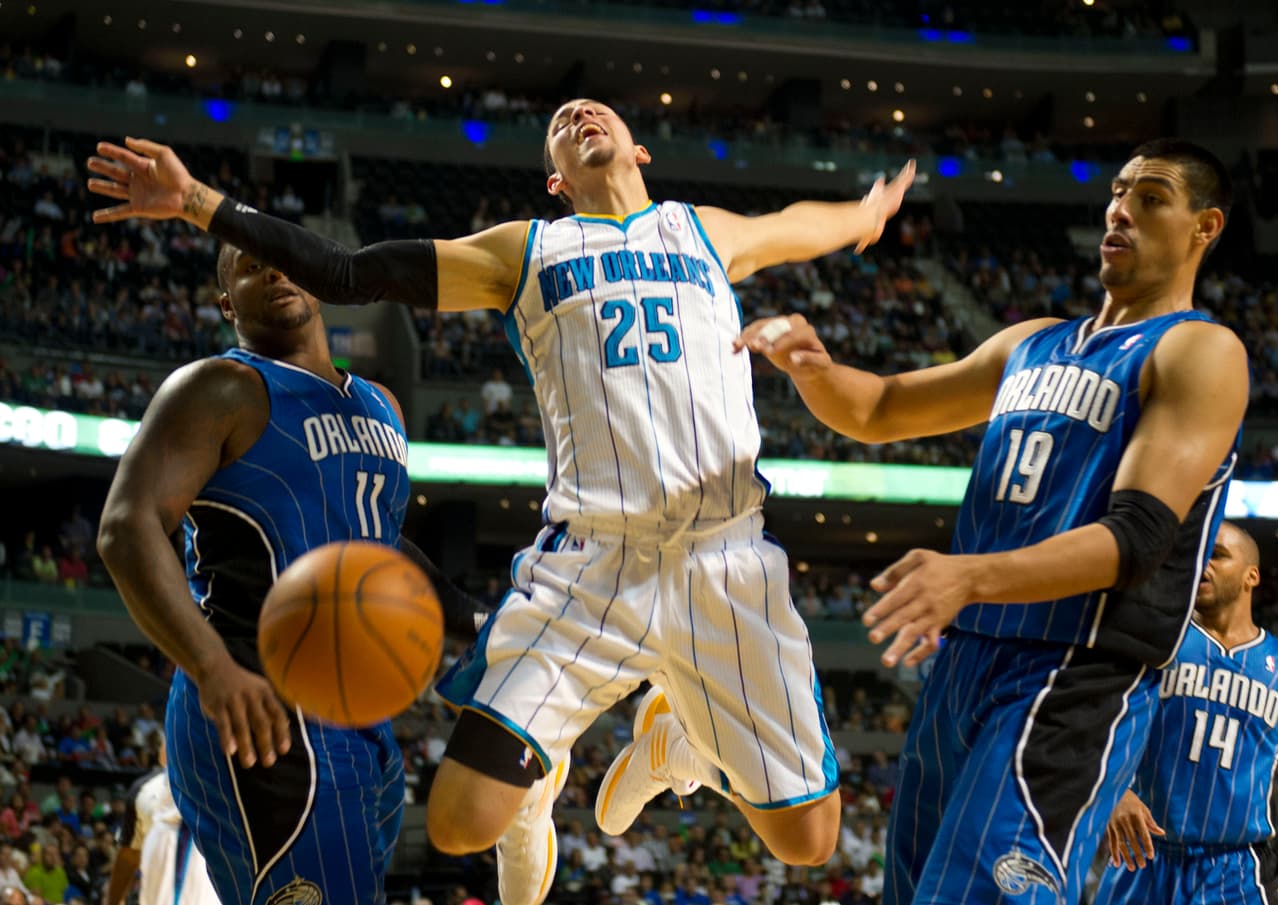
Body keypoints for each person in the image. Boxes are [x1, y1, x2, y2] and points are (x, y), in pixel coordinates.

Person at [86, 99, 913, 905]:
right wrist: (196, 202)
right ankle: (546, 772)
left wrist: (864, 214)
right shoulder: (527, 251)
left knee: (810, 840)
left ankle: (679, 746)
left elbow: (797, 223)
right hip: (592, 558)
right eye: (560, 122)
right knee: (457, 824)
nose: (580, 116)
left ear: (639, 149)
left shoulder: (704, 231)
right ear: (555, 180)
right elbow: (349, 271)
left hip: (725, 554)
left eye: (595, 110)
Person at [735, 138, 1246, 903]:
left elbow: (1137, 538)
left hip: (1072, 671)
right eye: (1118, 191)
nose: (1120, 210)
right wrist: (813, 368)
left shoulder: (1200, 350)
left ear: (1205, 226)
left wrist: (970, 575)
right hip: (969, 660)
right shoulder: (1029, 343)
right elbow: (880, 408)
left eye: (1151, 198)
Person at [88, 235, 491, 904]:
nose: (275, 272)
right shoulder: (220, 387)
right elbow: (126, 527)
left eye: (285, 261)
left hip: (361, 712)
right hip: (259, 706)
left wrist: (478, 620)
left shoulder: (382, 405)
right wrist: (211, 667)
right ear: (227, 303)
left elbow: (379, 544)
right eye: (251, 267)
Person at [1096, 522, 1278, 904]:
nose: (1202, 563)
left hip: (1236, 869)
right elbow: (1094, 722)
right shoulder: (1155, 640)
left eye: (1217, 555)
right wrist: (1114, 789)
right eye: (1198, 554)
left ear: (1252, 576)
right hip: (1142, 855)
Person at [106, 753, 221, 905]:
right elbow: (128, 857)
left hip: (178, 840)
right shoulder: (148, 790)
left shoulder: (144, 788)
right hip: (181, 835)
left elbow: (128, 856)